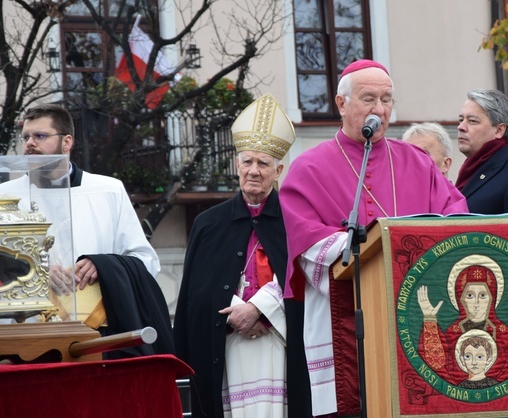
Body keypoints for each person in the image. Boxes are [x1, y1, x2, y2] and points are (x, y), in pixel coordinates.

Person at [280, 59, 468, 416]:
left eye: (387, 100)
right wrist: (373, 249)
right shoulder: (308, 168)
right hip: (346, 320)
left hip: (420, 314)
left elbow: (454, 218)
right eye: (368, 99)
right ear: (341, 104)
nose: (379, 110)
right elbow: (306, 242)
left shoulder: (417, 161)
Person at [174, 94, 310, 417]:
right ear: (237, 164)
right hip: (228, 346)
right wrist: (235, 310)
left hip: (277, 346)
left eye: (263, 164)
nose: (253, 171)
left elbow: (303, 284)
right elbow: (196, 296)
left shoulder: (296, 221)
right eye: (247, 162)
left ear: (278, 170)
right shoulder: (208, 224)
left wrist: (261, 310)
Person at [11, 103, 159, 286]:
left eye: (40, 136)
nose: (30, 143)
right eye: (25, 137)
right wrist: (34, 273)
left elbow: (147, 262)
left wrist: (103, 265)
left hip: (96, 312)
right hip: (28, 313)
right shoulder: (6, 195)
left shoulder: (109, 191)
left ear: (67, 142)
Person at [417, 254, 508, 385]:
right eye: (470, 295)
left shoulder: (502, 331)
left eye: (483, 295)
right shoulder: (453, 331)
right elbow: (438, 366)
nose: (476, 303)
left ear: (492, 297)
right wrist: (429, 319)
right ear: (460, 298)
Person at [456, 89, 508, 214]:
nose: (461, 127)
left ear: (499, 130)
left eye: (472, 121)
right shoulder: (470, 169)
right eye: (461, 120)